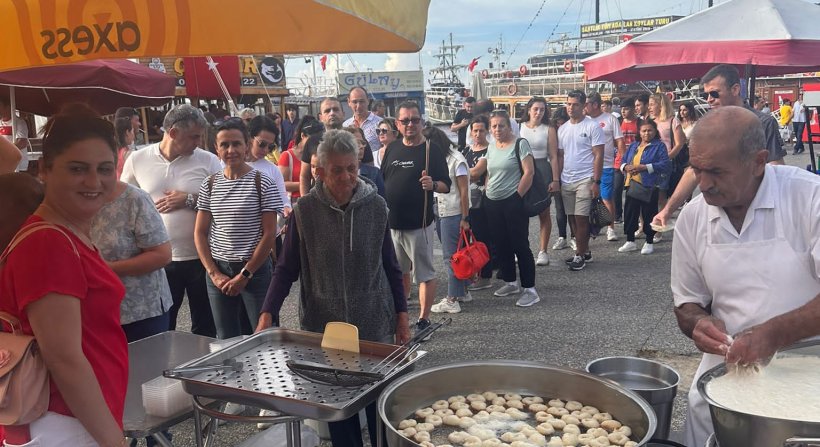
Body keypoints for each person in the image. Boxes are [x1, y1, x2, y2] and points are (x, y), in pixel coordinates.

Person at [671, 106, 820, 447]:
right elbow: (686, 302)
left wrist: (773, 334)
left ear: (758, 162)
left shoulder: (808, 198)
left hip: (808, 377)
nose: (703, 184)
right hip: (722, 380)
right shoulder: (693, 218)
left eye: (716, 171)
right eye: (696, 169)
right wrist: (697, 323)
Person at [256, 129, 409, 447]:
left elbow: (391, 267)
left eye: (351, 168)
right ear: (321, 171)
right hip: (325, 326)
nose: (346, 177)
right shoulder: (305, 212)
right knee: (339, 410)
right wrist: (268, 311)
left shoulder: (376, 207)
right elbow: (286, 269)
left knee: (380, 408)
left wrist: (402, 315)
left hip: (373, 322)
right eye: (337, 170)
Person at [0, 107, 128, 447]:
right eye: (77, 169)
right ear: (44, 169)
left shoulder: (65, 234)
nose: (94, 182)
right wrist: (114, 441)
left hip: (73, 420)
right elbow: (64, 359)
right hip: (63, 423)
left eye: (104, 169)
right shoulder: (48, 242)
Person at [121, 104, 220, 337]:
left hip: (202, 257)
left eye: (200, 136)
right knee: (163, 326)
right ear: (173, 133)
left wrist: (190, 199)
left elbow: (224, 201)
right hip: (159, 260)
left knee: (205, 327)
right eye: (194, 136)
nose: (198, 142)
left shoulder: (209, 161)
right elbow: (123, 203)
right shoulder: (138, 159)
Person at [652, 64, 786, 229]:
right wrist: (667, 210)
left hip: (757, 211)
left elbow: (776, 168)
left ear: (735, 89)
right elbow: (694, 170)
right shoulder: (708, 126)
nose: (709, 99)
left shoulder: (764, 122)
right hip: (717, 211)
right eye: (705, 95)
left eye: (714, 93)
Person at [194, 118, 283, 339]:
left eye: (236, 143)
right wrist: (214, 273)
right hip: (219, 271)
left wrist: (245, 274)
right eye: (224, 145)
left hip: (255, 271)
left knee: (264, 337)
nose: (230, 150)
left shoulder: (263, 182)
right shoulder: (209, 184)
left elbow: (269, 234)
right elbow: (200, 232)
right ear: (216, 148)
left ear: (246, 145)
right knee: (226, 339)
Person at [381, 100, 451, 336]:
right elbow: (383, 180)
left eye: (415, 120)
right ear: (397, 124)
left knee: (424, 274)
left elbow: (447, 185)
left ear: (422, 122)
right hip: (393, 224)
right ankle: (401, 315)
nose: (410, 124)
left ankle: (423, 320)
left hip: (419, 225)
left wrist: (433, 185)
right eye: (405, 121)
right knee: (398, 272)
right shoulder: (392, 148)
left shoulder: (432, 149)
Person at [471, 110, 539, 307]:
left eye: (501, 126)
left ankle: (530, 289)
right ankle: (510, 282)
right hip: (492, 202)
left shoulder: (520, 144)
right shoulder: (492, 147)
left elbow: (529, 172)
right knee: (501, 244)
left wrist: (517, 197)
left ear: (509, 127)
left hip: (512, 201)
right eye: (494, 126)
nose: (497, 129)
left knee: (520, 245)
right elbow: (485, 172)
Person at [91, 179, 173, 341]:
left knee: (146, 357)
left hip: (139, 311)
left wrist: (105, 269)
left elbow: (162, 255)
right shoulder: (68, 202)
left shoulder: (134, 198)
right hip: (93, 311)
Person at [552, 90, 605, 271]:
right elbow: (560, 155)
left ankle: (579, 255)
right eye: (568, 104)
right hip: (567, 179)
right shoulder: (563, 129)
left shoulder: (592, 126)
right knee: (572, 218)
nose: (571, 108)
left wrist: (596, 181)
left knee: (582, 219)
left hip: (585, 178)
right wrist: (557, 178)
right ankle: (585, 250)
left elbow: (598, 155)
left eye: (575, 104)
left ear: (583, 106)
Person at [427, 126, 471, 314]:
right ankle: (462, 292)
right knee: (457, 254)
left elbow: (464, 191)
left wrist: (465, 218)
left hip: (453, 212)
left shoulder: (456, 160)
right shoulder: (442, 158)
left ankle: (452, 299)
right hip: (442, 209)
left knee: (451, 257)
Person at [617, 119, 671, 255]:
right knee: (630, 213)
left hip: (649, 185)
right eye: (644, 131)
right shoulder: (634, 145)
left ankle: (649, 241)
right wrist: (626, 167)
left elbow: (665, 164)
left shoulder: (659, 146)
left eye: (650, 130)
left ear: (655, 131)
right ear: (639, 132)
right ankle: (630, 241)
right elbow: (623, 160)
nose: (647, 133)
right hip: (632, 184)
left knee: (649, 213)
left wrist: (645, 167)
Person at [519, 96, 555, 265]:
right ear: (529, 110)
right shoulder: (519, 127)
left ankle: (543, 250)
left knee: (544, 211)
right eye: (535, 109)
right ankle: (521, 249)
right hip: (522, 169)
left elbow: (553, 156)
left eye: (542, 109)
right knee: (520, 212)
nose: (538, 112)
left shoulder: (548, 129)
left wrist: (555, 179)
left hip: (542, 169)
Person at [585, 92, 624, 243]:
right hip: (587, 166)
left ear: (595, 105)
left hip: (606, 164)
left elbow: (619, 141)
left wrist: (622, 161)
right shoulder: (584, 120)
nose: (584, 106)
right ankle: (591, 226)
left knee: (607, 197)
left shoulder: (610, 119)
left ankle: (610, 228)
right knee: (588, 198)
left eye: (587, 104)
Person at [465, 115, 496, 292]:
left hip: (482, 202)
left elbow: (476, 173)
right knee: (465, 239)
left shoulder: (490, 150)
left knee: (482, 239)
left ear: (487, 131)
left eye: (481, 130)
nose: (478, 134)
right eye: (475, 130)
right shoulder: (466, 150)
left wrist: (459, 173)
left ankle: (485, 276)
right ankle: (468, 273)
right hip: (466, 201)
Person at [647, 93, 686, 217]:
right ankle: (646, 222)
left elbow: (680, 143)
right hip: (649, 161)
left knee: (661, 194)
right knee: (647, 193)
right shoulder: (649, 121)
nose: (649, 107)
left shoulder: (673, 121)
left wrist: (667, 158)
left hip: (665, 162)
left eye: (652, 104)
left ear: (661, 105)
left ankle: (660, 220)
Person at [299, 98, 344, 195]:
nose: (332, 113)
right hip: (319, 198)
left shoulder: (355, 139)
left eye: (336, 109)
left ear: (343, 113)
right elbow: (304, 176)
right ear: (320, 117)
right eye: (327, 111)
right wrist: (304, 199)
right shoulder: (312, 141)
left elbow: (370, 171)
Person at [549, 108, 574, 251]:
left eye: (562, 123)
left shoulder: (571, 132)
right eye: (557, 123)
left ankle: (574, 237)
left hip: (572, 174)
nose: (560, 126)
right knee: (559, 208)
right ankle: (562, 237)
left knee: (572, 209)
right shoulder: (552, 135)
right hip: (557, 174)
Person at [282, 115, 322, 201]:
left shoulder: (318, 154)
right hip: (294, 199)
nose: (314, 143)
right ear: (302, 136)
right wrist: (305, 184)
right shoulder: (287, 155)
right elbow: (281, 184)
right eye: (311, 140)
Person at [616, 99, 641, 223]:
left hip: (635, 162)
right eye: (622, 109)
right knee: (616, 189)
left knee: (631, 192)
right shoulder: (618, 122)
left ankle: (632, 218)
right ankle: (617, 215)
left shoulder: (640, 123)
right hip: (619, 161)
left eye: (626, 108)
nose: (623, 111)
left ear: (633, 109)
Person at [345, 126, 385, 197]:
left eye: (362, 142)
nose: (361, 146)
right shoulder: (334, 173)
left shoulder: (374, 173)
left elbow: (382, 200)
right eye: (357, 142)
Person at [343, 86, 383, 156]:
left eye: (361, 101)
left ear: (368, 101)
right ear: (349, 102)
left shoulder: (380, 123)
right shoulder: (345, 125)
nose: (358, 106)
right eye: (355, 102)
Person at [0, 95, 29, 172]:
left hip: (18, 166)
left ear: (8, 107)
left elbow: (22, 142)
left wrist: (4, 152)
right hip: (4, 166)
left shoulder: (19, 122)